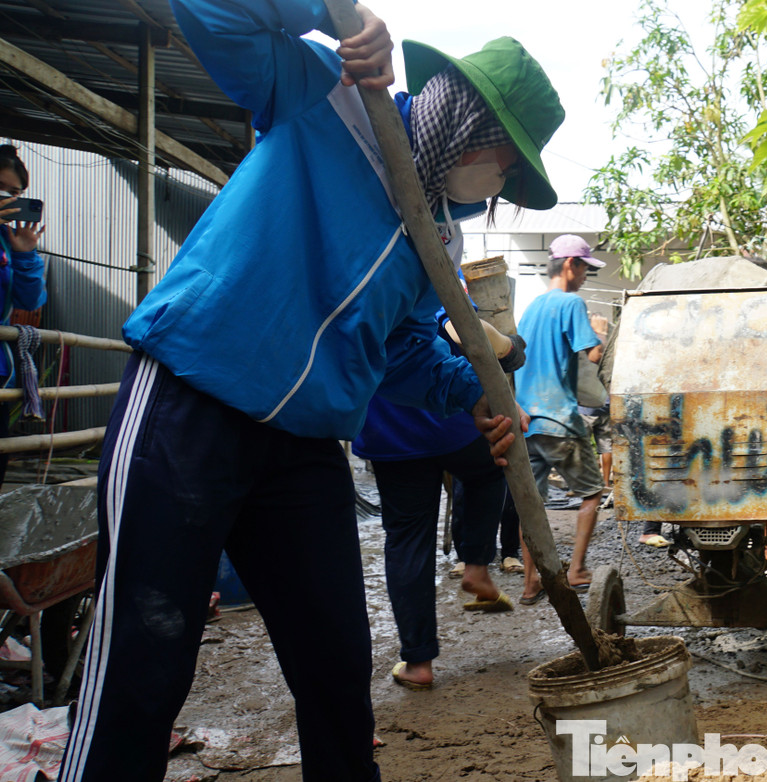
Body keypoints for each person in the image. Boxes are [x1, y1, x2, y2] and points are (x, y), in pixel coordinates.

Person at [58, 1, 564, 779]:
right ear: (468, 121)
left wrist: (473, 393)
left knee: (336, 671)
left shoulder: (437, 237)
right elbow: (211, 11)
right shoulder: (331, 95)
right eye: (506, 161)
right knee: (144, 661)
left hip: (302, 448)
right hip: (190, 405)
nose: (501, 183)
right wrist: (338, 13)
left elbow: (398, 349)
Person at [355, 294, 529, 691]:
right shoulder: (433, 278)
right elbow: (467, 332)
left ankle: (418, 663)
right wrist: (512, 349)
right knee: (487, 472)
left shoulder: (356, 290)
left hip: (390, 437)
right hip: (452, 422)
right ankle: (476, 565)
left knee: (408, 540)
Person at [514, 234, 606, 602]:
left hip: (526, 422)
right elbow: (593, 354)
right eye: (584, 269)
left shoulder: (532, 307)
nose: (585, 276)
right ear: (571, 264)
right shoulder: (571, 303)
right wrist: (600, 336)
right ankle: (577, 569)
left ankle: (530, 582)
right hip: (559, 419)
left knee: (532, 508)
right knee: (592, 493)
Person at [0, 145, 47, 487]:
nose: (7, 197)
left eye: (13, 192)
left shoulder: (9, 238)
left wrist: (25, 255)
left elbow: (30, 301)